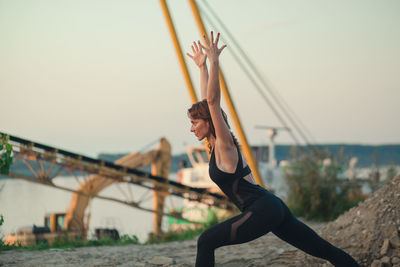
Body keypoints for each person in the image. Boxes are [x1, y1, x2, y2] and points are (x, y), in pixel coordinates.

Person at [186, 31, 359, 267]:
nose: (192, 128)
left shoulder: (225, 146)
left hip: (262, 209)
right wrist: (202, 68)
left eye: (195, 122)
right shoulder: (215, 145)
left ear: (208, 122)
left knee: (206, 241)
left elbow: (213, 103)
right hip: (271, 205)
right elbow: (208, 103)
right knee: (320, 247)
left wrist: (215, 62)